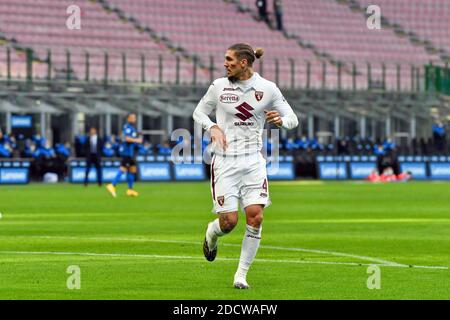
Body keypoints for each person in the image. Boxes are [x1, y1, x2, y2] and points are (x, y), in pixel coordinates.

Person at [193, 43, 299, 289]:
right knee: (229, 222)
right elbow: (198, 113)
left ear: (243, 63)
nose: (225, 63)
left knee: (256, 217)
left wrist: (281, 121)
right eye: (225, 59)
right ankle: (211, 234)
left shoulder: (267, 89)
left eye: (229, 59)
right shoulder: (218, 87)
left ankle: (240, 275)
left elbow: (293, 119)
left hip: (253, 161)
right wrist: (213, 127)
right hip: (225, 161)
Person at [106, 113, 142, 197]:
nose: (134, 119)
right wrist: (137, 140)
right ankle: (112, 185)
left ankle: (130, 190)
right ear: (128, 119)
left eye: (135, 117)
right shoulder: (127, 127)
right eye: (132, 118)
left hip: (131, 152)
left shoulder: (132, 128)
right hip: (127, 153)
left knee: (132, 169)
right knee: (123, 168)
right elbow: (126, 138)